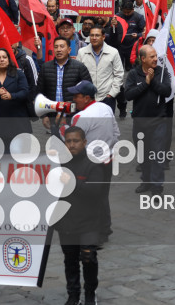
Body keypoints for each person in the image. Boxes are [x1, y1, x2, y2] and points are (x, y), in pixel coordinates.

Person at [55, 126, 105, 305]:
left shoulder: (93, 164)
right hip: (66, 222)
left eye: (76, 141)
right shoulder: (58, 163)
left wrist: (73, 183)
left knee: (88, 257)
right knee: (70, 261)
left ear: (84, 143)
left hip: (88, 222)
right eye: (68, 141)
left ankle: (90, 294)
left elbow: (95, 192)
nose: (71, 145)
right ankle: (73, 295)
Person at [67, 80, 119, 242]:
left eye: (77, 96)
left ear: (87, 98)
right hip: (107, 160)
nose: (74, 99)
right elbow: (116, 133)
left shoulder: (81, 116)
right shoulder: (106, 108)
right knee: (102, 196)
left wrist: (61, 127)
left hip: (88, 164)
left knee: (86, 197)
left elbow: (71, 141)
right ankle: (104, 229)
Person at [123, 45, 173, 195]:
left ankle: (157, 186)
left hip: (159, 121)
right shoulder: (133, 74)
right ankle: (146, 181)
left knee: (157, 155)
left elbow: (167, 91)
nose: (155, 59)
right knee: (143, 155)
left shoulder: (162, 72)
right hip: (140, 121)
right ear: (143, 59)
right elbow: (128, 95)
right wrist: (145, 83)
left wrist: (153, 81)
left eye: (156, 56)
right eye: (152, 56)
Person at [37, 37, 92, 136]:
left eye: (62, 46)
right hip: (53, 116)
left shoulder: (79, 67)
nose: (59, 49)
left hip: (75, 116)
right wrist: (44, 115)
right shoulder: (46, 67)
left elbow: (89, 93)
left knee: (75, 146)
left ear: (69, 50)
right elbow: (40, 93)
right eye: (56, 47)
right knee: (57, 145)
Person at [0, 49, 31, 152]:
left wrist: (12, 96)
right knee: (2, 158)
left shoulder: (18, 74)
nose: (1, 60)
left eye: (4, 57)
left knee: (19, 157)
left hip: (18, 123)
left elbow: (25, 92)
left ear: (9, 59)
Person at [76, 26, 124, 112]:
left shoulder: (113, 52)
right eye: (92, 35)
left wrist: (112, 94)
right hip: (87, 98)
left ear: (103, 37)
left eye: (97, 35)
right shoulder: (82, 52)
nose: (94, 38)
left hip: (106, 98)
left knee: (106, 124)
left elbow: (119, 74)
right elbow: (77, 74)